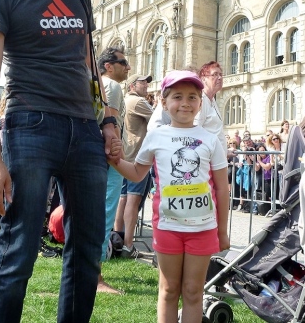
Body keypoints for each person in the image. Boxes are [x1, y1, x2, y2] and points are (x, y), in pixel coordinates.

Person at [0, 0, 118, 323]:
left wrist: (108, 121)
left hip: (85, 131)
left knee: (87, 249)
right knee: (19, 247)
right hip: (30, 125)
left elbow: (89, 65)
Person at [110, 70, 230, 323]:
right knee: (168, 290)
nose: (185, 103)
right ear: (164, 103)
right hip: (167, 228)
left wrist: (222, 231)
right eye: (177, 97)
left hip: (203, 229)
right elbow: (137, 172)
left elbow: (222, 188)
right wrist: (116, 160)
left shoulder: (210, 140)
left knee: (194, 291)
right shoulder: (156, 136)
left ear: (200, 103)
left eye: (192, 97)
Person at [96, 46, 130, 293]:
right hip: (111, 158)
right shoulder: (113, 87)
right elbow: (112, 124)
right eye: (123, 63)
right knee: (105, 214)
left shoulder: (99, 85)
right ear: (108, 66)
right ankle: (95, 276)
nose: (128, 67)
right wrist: (120, 159)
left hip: (99, 157)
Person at [114, 73, 153, 259]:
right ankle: (128, 245)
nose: (146, 85)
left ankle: (117, 240)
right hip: (137, 157)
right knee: (133, 200)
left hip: (126, 156)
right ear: (132, 86)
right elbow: (160, 119)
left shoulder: (125, 100)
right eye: (142, 82)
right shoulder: (138, 101)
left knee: (123, 199)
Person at [195, 61, 226, 156]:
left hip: (216, 158)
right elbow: (195, 131)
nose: (220, 78)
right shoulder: (201, 100)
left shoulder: (212, 100)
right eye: (215, 74)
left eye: (220, 74)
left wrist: (225, 152)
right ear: (203, 79)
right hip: (207, 159)